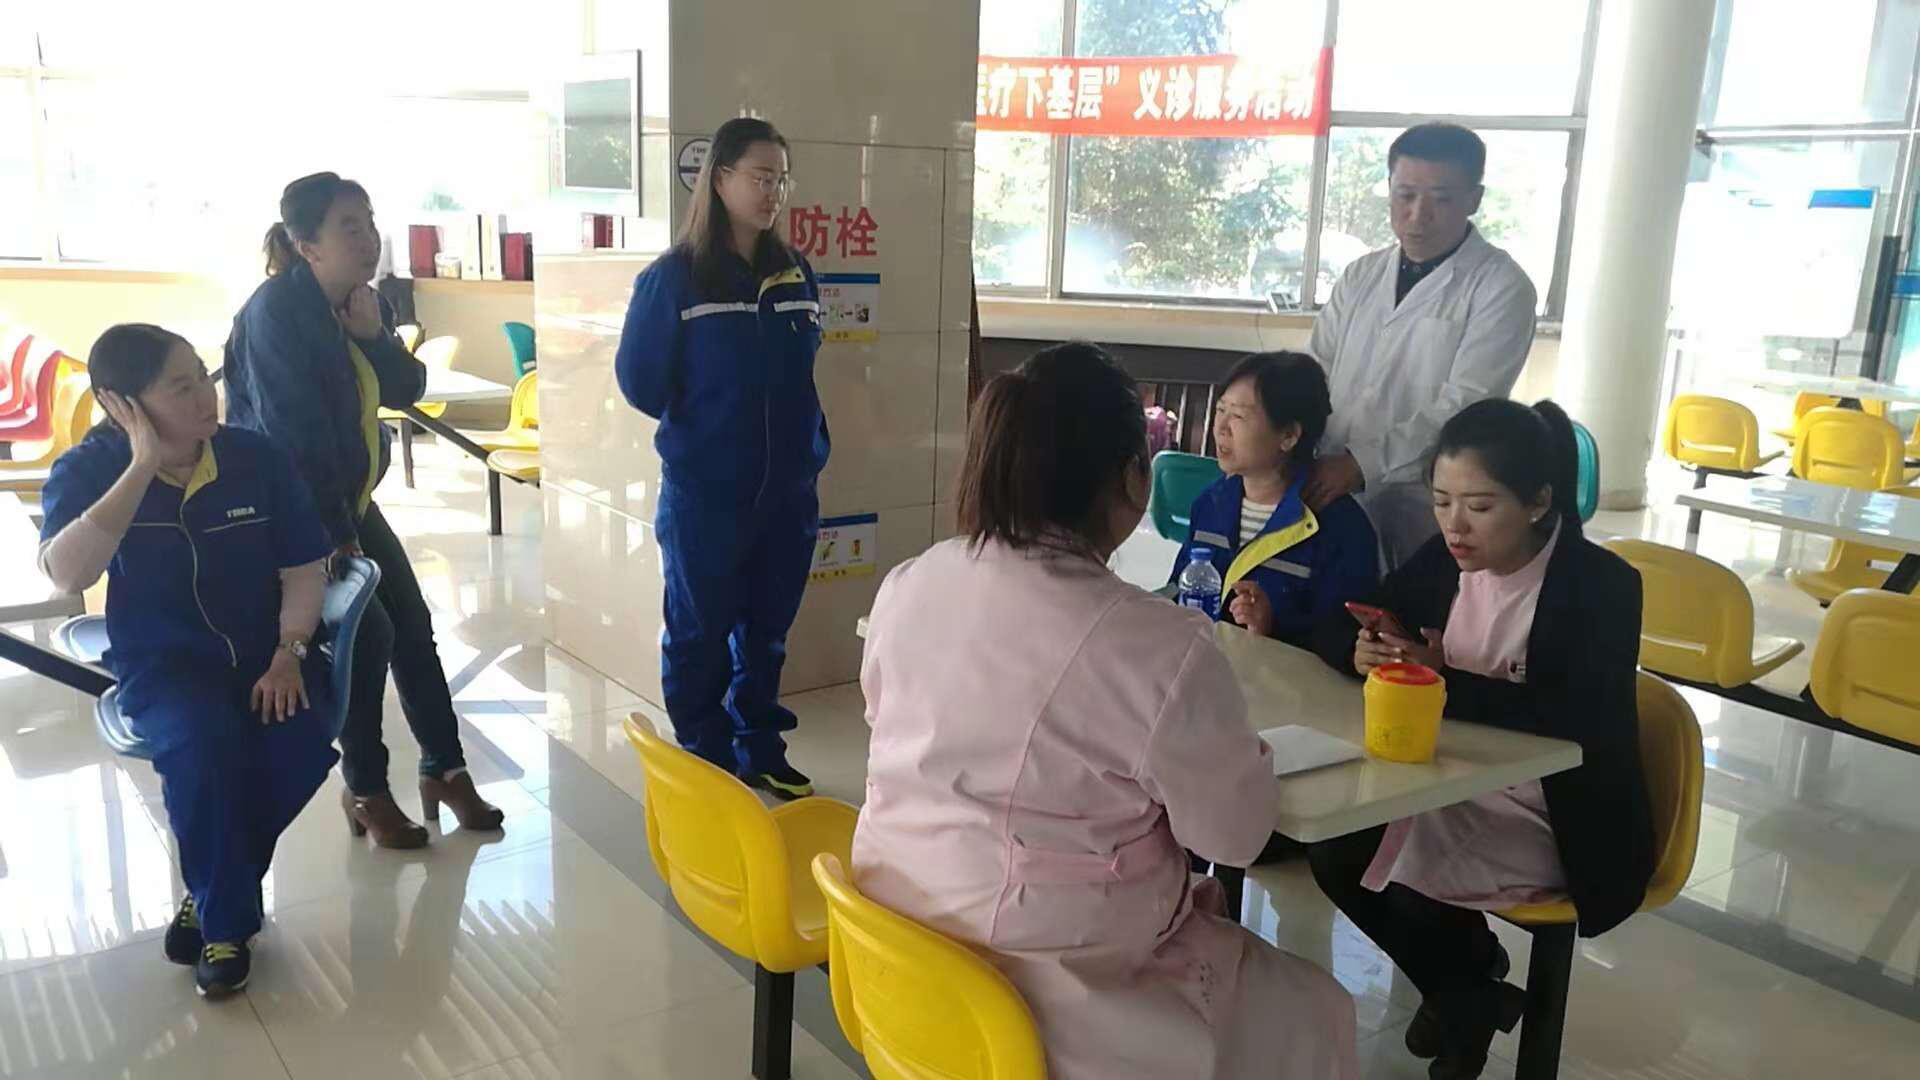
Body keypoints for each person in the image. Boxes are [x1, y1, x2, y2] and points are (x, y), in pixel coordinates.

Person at [854, 343, 1359, 1080]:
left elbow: (886, 720)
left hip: (894, 944)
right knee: (1319, 1009)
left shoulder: (912, 581)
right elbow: (1235, 836)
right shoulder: (1157, 645)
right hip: (1038, 987)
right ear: (1132, 477)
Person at [1307, 399, 1654, 1080]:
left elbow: (1576, 714)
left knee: (1382, 862)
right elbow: (1354, 614)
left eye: (1480, 506)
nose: (1454, 525)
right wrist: (1360, 646)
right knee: (1336, 848)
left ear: (1538, 503)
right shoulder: (1446, 561)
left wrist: (1443, 680)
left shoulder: (1602, 586)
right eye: (1441, 502)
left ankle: (1464, 990)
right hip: (1451, 780)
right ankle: (1468, 990)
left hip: (1557, 810)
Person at [38, 324, 340, 997]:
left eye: (204, 376)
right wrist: (139, 466)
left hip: (269, 653)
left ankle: (208, 896)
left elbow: (303, 568)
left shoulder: (255, 458)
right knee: (203, 751)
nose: (207, 396)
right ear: (123, 405)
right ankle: (227, 928)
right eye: (181, 387)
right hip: (165, 664)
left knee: (299, 746)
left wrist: (289, 653)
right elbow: (65, 575)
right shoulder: (90, 469)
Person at [225, 172, 503, 848]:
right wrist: (337, 538)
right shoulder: (276, 314)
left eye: (371, 222)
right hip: (293, 513)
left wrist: (375, 334)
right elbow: (295, 438)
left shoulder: (351, 302)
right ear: (307, 244)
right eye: (349, 226)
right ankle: (367, 789)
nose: (368, 238)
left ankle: (445, 770)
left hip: (346, 503)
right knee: (368, 635)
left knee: (413, 625)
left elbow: (408, 388)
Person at [613, 117, 827, 798]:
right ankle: (706, 762)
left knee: (767, 633)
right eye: (760, 177)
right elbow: (640, 383)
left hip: (787, 493)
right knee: (699, 634)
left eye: (781, 179)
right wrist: (712, 428)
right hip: (706, 493)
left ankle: (759, 747)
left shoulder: (795, 274)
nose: (773, 192)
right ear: (721, 179)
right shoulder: (674, 280)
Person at [1306, 123, 1539, 569]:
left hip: (1425, 502)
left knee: (1416, 600)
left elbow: (1466, 404)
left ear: (1474, 199)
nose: (1417, 215)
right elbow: (1316, 368)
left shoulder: (1501, 286)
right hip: (1327, 483)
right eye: (1405, 195)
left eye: (1441, 199)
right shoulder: (1360, 275)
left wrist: (1361, 463)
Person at [1170, 351, 1380, 648]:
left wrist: (1275, 626)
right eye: (1220, 409)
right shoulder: (1209, 505)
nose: (1221, 427)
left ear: (1289, 436)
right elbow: (1179, 592)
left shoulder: (1342, 528)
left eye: (1238, 416)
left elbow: (1347, 644)